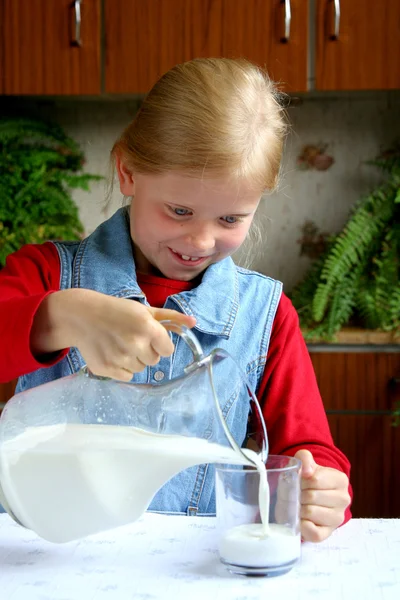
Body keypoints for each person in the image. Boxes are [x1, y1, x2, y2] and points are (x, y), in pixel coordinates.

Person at [0, 57, 351, 541]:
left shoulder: (266, 317)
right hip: (44, 565)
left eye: (229, 219)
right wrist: (63, 315)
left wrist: (321, 487)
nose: (201, 241)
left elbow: (308, 449)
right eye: (179, 210)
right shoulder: (45, 274)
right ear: (127, 171)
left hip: (185, 573)